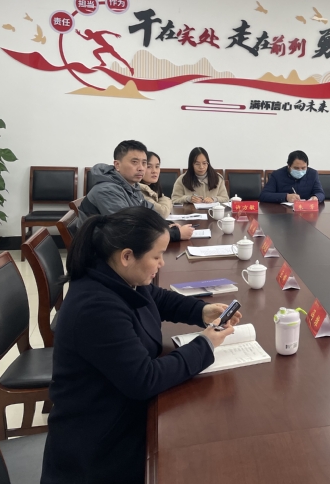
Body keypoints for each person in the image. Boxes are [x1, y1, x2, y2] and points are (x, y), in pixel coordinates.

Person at [41, 207, 241, 484]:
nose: (162, 264)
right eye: (157, 256)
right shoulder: (95, 307)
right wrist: (205, 344)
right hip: (99, 451)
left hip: (123, 418)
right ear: (127, 256)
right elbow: (145, 379)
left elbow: (157, 298)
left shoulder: (118, 276)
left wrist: (200, 311)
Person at [80, 140, 193, 241]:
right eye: (134, 162)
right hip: (99, 251)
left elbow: (148, 211)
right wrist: (175, 234)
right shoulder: (106, 190)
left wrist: (166, 224)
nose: (141, 168)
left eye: (144, 163)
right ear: (117, 165)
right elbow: (127, 229)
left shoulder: (132, 186)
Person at [260, 150, 325, 203]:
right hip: (283, 212)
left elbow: (320, 193)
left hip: (306, 210)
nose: (300, 171)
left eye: (303, 168)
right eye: (296, 168)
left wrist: (316, 197)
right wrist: (286, 197)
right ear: (289, 166)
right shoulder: (277, 175)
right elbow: (264, 195)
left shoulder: (313, 174)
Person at [139, 151, 171, 218]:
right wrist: (167, 200)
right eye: (149, 166)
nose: (154, 171)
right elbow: (163, 213)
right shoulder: (138, 190)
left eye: (157, 166)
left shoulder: (152, 187)